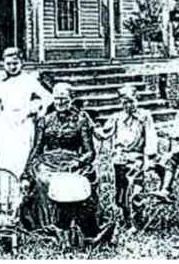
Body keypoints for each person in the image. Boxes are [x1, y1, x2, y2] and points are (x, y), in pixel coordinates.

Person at [20, 83, 113, 245]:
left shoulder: (81, 120)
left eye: (64, 98)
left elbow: (90, 152)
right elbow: (36, 148)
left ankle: (84, 229)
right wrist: (26, 173)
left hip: (72, 161)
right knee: (44, 182)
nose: (60, 102)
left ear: (71, 99)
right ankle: (48, 228)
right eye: (57, 98)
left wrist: (78, 162)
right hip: (48, 163)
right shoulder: (44, 120)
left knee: (76, 183)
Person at [0, 46, 53, 178]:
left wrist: (34, 108)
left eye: (15, 63)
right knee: (5, 159)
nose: (12, 67)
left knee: (22, 157)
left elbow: (48, 98)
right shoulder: (0, 83)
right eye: (8, 64)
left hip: (23, 125)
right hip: (6, 125)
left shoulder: (29, 80)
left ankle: (21, 195)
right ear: (4, 64)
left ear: (21, 63)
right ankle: (5, 196)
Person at [94, 85, 158, 222]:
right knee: (121, 192)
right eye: (125, 102)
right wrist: (94, 128)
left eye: (131, 101)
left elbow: (151, 137)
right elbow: (105, 133)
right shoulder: (117, 118)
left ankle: (138, 220)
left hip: (136, 159)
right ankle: (126, 219)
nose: (128, 105)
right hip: (120, 159)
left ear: (137, 99)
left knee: (135, 190)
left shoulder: (144, 117)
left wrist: (148, 158)